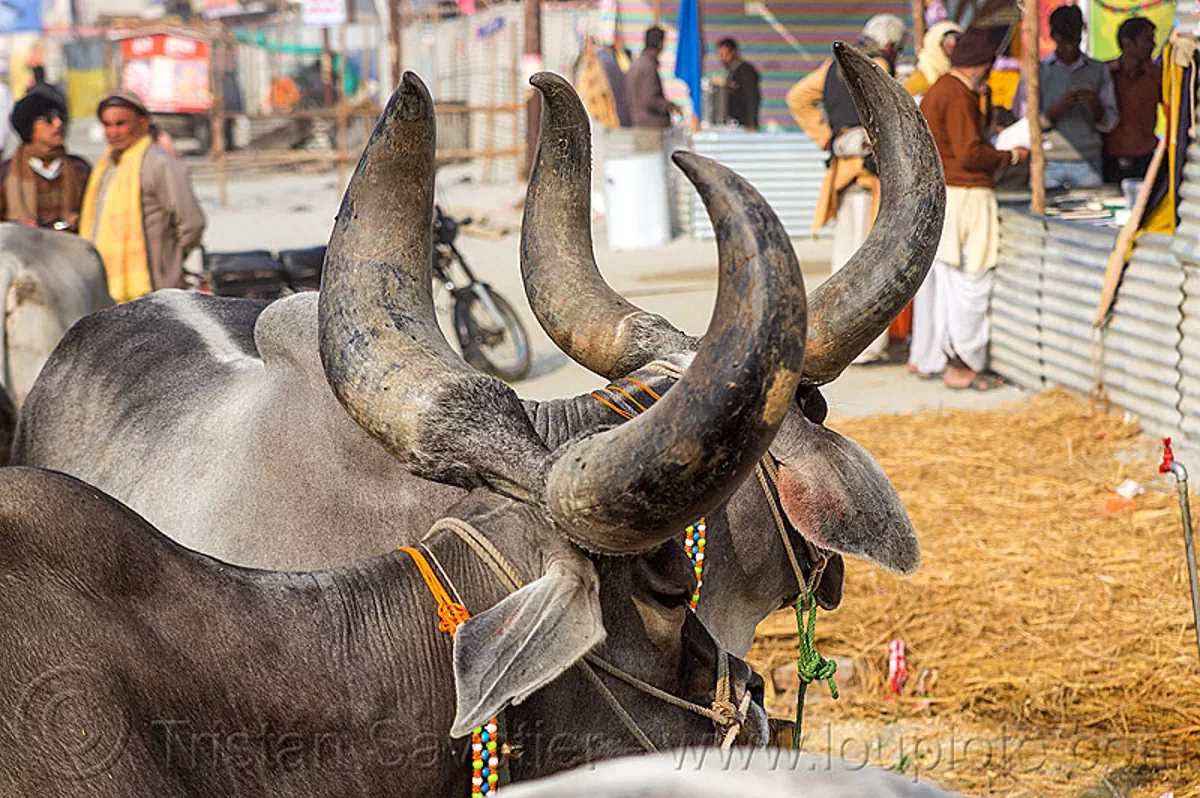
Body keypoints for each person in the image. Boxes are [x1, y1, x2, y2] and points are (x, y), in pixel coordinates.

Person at [911, 27, 1028, 390]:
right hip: (967, 195)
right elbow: (970, 154)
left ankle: (955, 361)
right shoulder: (957, 93)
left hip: (948, 193)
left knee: (952, 283)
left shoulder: (938, 89)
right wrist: (1011, 154)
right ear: (980, 65)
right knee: (972, 280)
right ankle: (965, 362)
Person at [786, 14, 907, 364]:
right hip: (869, 178)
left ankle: (838, 342)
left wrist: (827, 136)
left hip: (843, 173)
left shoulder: (830, 65)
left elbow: (797, 97)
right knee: (870, 262)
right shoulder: (880, 65)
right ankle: (866, 346)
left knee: (844, 261)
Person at [80, 90, 206, 304]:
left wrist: (169, 258)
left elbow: (192, 223)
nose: (113, 132)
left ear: (143, 123)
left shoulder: (159, 163)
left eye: (121, 124)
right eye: (107, 125)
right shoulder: (105, 167)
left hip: (155, 287)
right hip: (108, 289)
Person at [1014, 5, 1118, 189]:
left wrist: (1095, 107)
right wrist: (1054, 111)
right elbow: (1024, 120)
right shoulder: (1038, 72)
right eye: (1064, 41)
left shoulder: (1097, 70)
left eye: (1074, 40)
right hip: (1049, 161)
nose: (1070, 48)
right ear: (1054, 36)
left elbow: (1110, 120)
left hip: (1088, 159)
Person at [0, 91, 90, 232]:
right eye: (48, 119)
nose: (58, 124)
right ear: (28, 126)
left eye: (61, 117)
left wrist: (80, 220)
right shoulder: (5, 173)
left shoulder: (80, 168)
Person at [1104, 16, 1161, 184]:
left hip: (1145, 159)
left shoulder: (1156, 76)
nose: (1153, 45)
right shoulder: (1106, 75)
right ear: (1127, 42)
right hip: (1110, 160)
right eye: (1147, 40)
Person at [626, 26, 675, 130]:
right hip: (650, 128)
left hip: (640, 124)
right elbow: (650, 100)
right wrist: (669, 106)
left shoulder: (637, 63)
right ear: (660, 44)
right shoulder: (648, 66)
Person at [905, 20, 962, 98]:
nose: (953, 51)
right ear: (935, 46)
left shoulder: (962, 76)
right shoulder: (919, 80)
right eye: (948, 46)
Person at [717, 37, 761, 130]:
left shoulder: (745, 71)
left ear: (733, 53)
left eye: (724, 55)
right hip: (734, 124)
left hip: (745, 125)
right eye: (720, 55)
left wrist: (751, 124)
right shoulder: (733, 72)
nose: (722, 59)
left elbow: (752, 98)